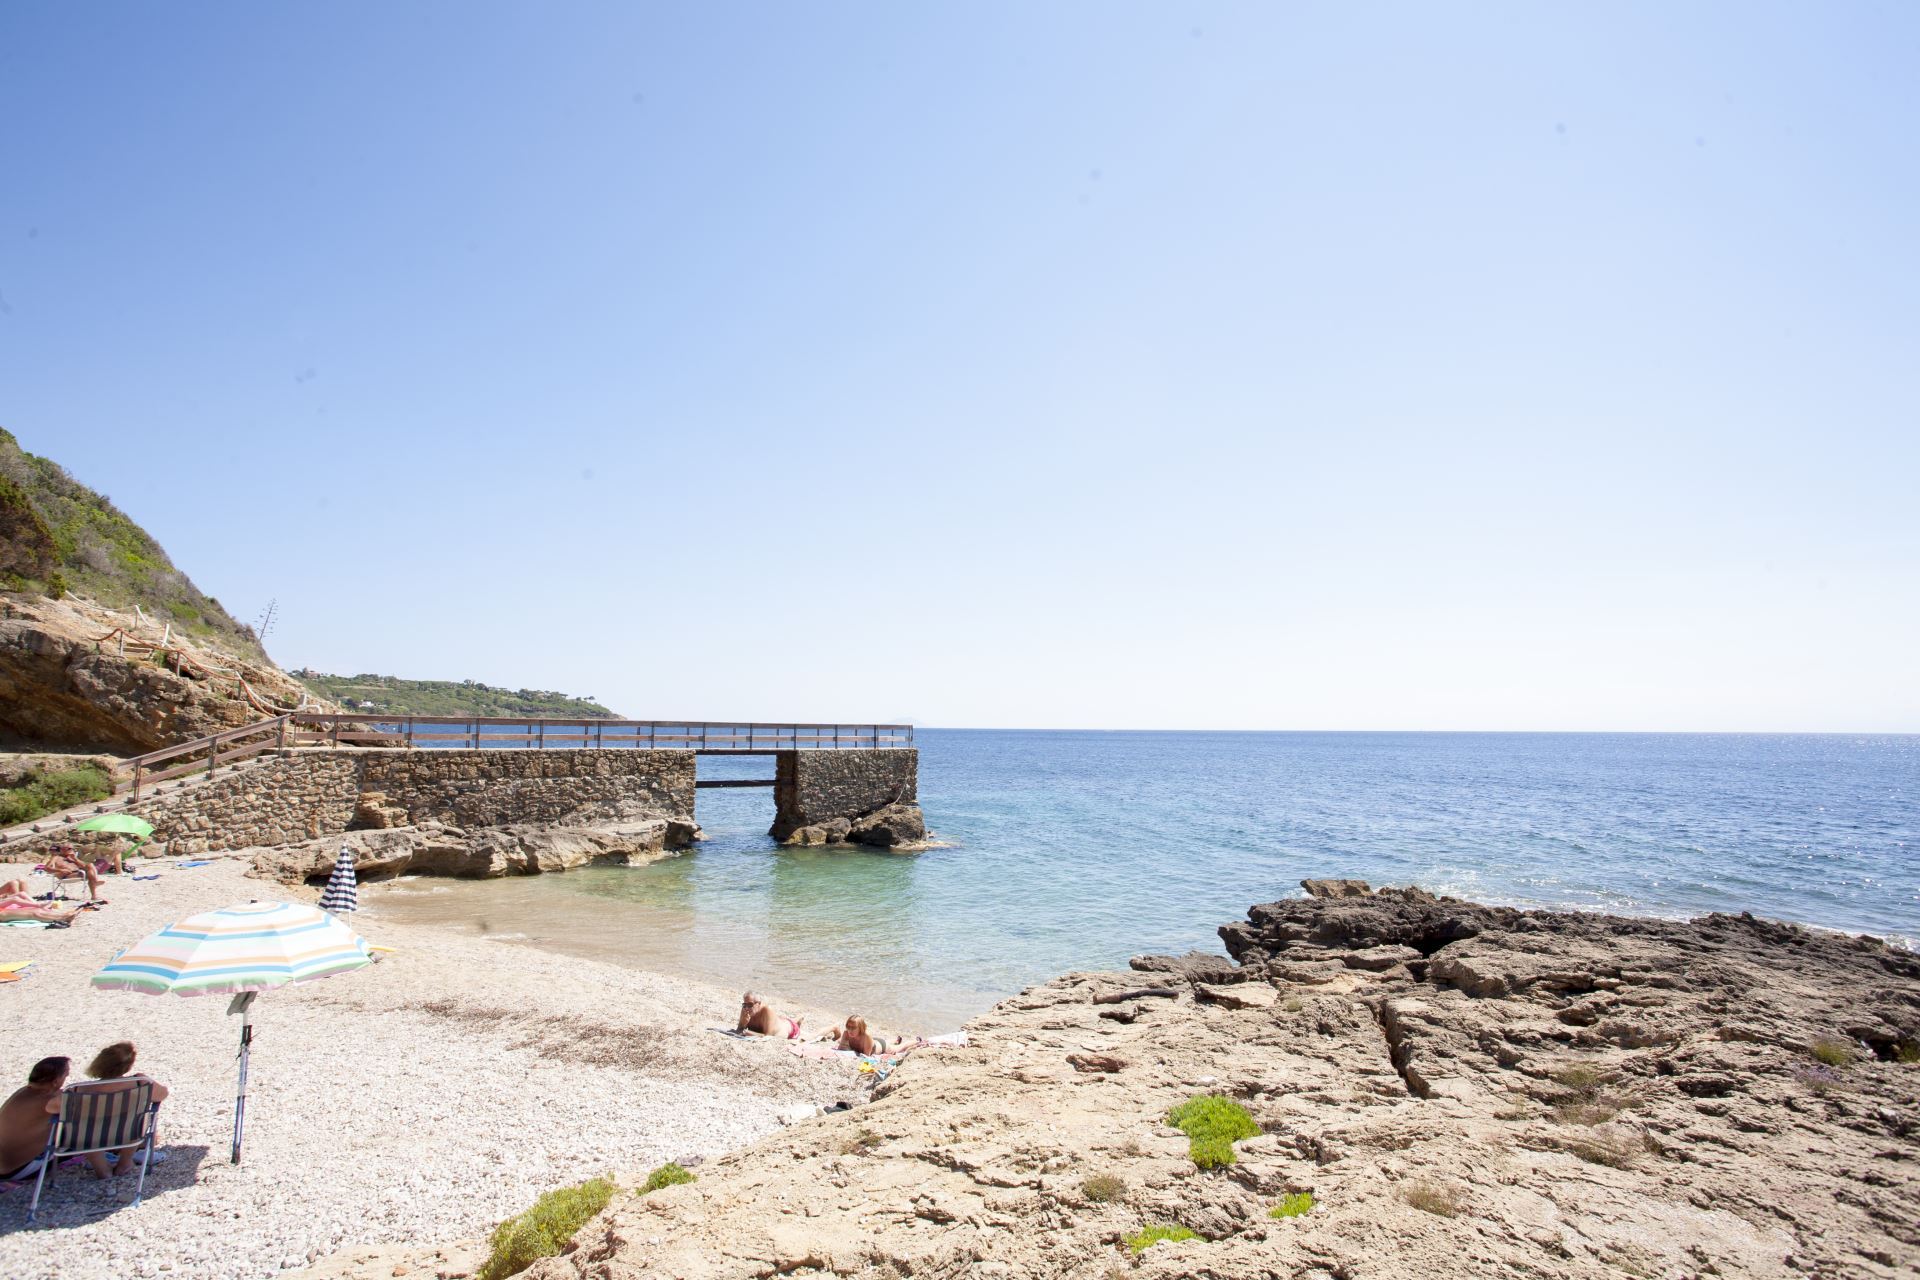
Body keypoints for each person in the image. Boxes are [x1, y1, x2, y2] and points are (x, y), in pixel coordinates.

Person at [78, 1041, 168, 1178]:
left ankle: (101, 1168)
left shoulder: (80, 1089)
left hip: (92, 1137)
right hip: (128, 1133)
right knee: (135, 1121)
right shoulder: (139, 1082)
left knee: (86, 1127)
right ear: (128, 1066)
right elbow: (162, 1095)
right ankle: (125, 1161)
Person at [0, 1057, 66, 1184]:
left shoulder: (24, 1092)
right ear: (56, 1081)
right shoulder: (49, 1101)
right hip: (15, 1171)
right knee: (77, 1135)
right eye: (65, 1075)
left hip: (4, 1165)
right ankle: (103, 1171)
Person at [737, 991, 802, 1039]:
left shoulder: (767, 1010)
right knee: (779, 1019)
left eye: (750, 1005)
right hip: (776, 1022)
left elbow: (768, 1036)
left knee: (789, 1023)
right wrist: (743, 1024)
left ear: (759, 1003)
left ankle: (799, 1018)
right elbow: (739, 1029)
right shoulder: (745, 1008)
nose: (747, 1008)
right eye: (745, 1005)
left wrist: (749, 1033)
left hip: (788, 1029)